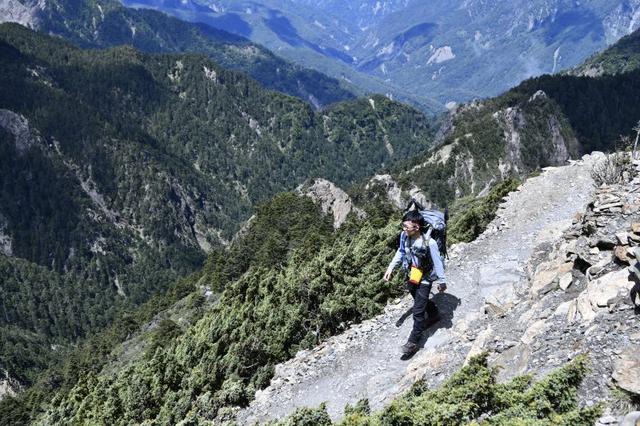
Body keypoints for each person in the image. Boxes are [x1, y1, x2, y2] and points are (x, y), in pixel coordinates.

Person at [383, 210, 447, 355]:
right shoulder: (404, 236)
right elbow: (400, 252)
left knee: (418, 311)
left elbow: (438, 262)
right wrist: (391, 268)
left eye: (406, 227)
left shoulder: (429, 243)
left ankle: (412, 342)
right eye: (403, 226)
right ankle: (434, 313)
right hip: (411, 275)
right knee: (418, 299)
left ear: (416, 227)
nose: (403, 229)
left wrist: (442, 281)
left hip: (425, 278)